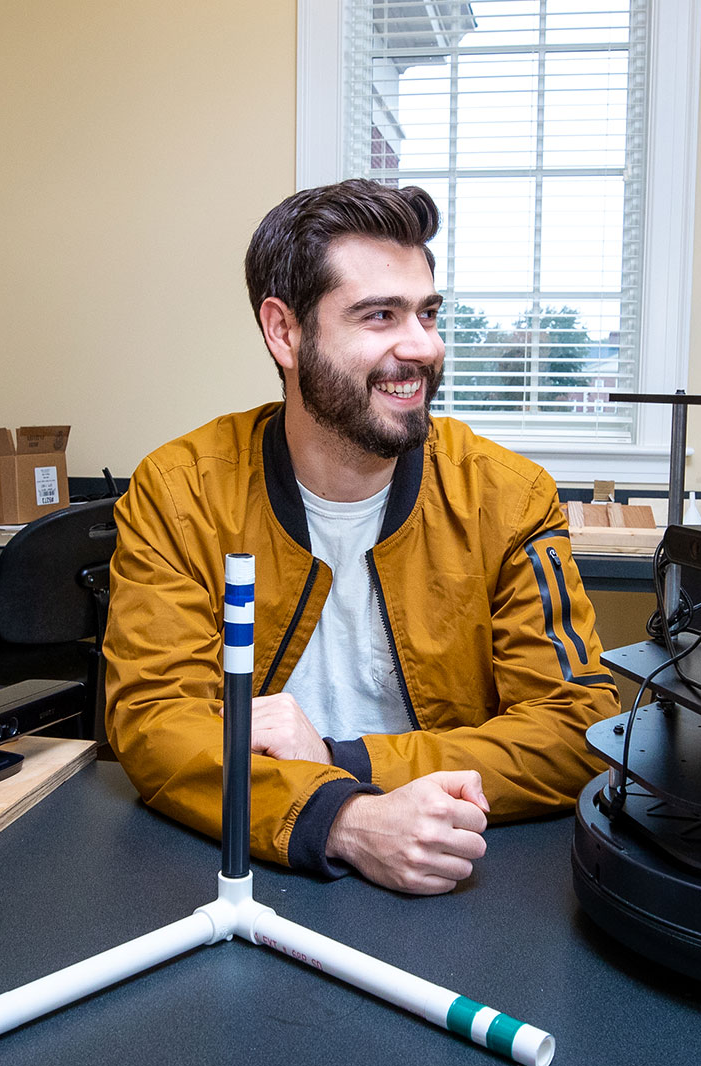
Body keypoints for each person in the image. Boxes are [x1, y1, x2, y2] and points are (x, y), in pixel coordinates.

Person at [104, 179, 620, 895]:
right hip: (246, 872)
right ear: (284, 332)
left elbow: (580, 727)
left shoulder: (508, 498)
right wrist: (344, 820)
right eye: (380, 316)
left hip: (454, 871)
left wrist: (348, 760)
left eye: (428, 314)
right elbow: (155, 722)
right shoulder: (180, 492)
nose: (422, 348)